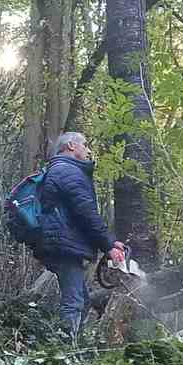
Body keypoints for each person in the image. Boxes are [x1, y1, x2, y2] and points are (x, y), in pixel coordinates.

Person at [36, 131, 127, 340]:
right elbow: (86, 213)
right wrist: (108, 245)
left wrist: (110, 242)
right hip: (64, 246)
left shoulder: (61, 170)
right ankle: (64, 351)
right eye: (84, 145)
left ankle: (73, 346)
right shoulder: (67, 171)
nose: (88, 150)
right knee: (73, 303)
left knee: (83, 302)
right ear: (71, 146)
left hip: (63, 243)